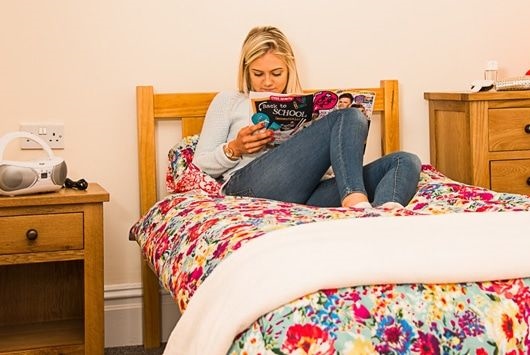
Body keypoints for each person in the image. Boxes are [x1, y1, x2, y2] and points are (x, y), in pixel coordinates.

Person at [193, 26, 421, 208]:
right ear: (245, 70)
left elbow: (325, 165)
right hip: (250, 188)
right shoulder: (229, 100)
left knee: (405, 161)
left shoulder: (306, 106)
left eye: (276, 73)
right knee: (349, 116)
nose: (268, 81)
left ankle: (382, 217)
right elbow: (200, 165)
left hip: (303, 193)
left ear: (290, 67)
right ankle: (356, 202)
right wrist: (234, 149)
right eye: (258, 74)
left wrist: (328, 157)